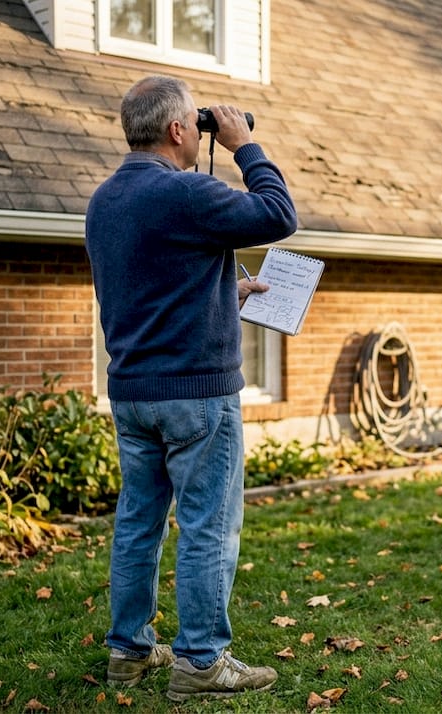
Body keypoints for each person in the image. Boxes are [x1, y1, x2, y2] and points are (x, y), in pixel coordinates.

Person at [84, 75, 297, 702]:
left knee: (138, 523)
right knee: (207, 525)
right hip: (198, 397)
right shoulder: (186, 192)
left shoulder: (105, 200)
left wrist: (223, 295)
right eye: (196, 124)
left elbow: (147, 289)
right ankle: (201, 661)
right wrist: (243, 146)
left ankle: (127, 651)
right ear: (181, 130)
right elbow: (279, 214)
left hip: (132, 392)